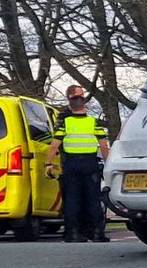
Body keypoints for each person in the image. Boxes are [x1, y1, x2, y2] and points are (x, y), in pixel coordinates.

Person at [46, 92, 110, 243]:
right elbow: (103, 146)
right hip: (90, 164)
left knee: (72, 200)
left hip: (71, 165)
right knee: (93, 199)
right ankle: (97, 233)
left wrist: (48, 163)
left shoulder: (65, 123)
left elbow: (54, 146)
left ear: (70, 107)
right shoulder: (94, 123)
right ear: (85, 106)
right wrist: (108, 164)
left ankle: (73, 233)